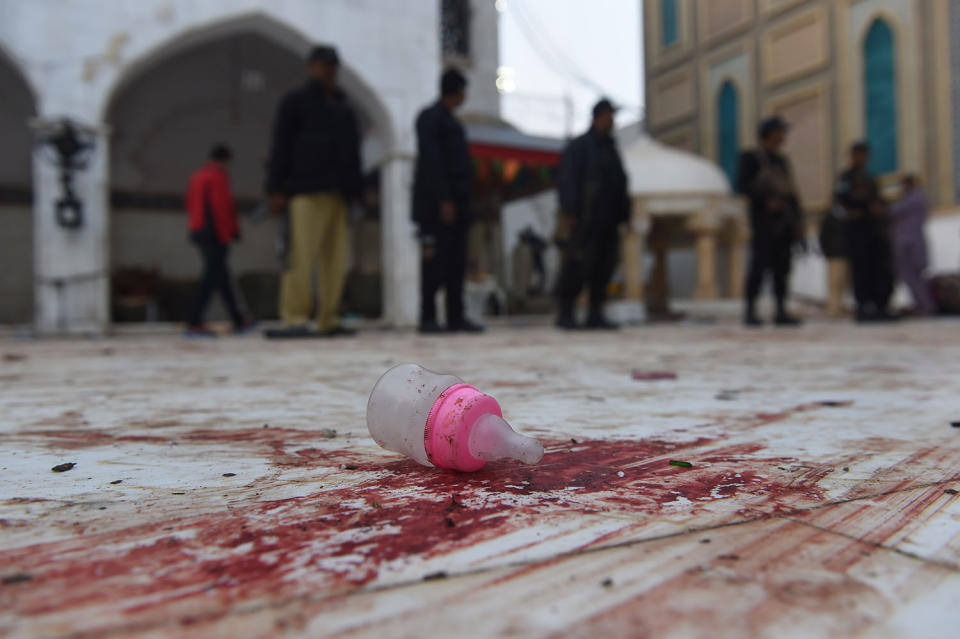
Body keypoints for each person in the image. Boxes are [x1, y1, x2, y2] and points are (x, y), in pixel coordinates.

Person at [265, 45, 362, 338]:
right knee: (300, 256)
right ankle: (294, 318)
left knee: (335, 261)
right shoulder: (295, 102)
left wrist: (356, 192)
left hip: (339, 194)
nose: (328, 70)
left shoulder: (345, 109)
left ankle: (327, 319)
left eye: (332, 65)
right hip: (304, 191)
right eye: (323, 64)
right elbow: (280, 147)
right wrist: (276, 189)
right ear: (311, 67)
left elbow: (353, 155)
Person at [412, 68, 483, 334]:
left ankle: (456, 316)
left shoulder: (453, 123)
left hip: (457, 206)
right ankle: (427, 317)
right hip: (436, 207)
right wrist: (444, 198)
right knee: (433, 264)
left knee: (455, 264)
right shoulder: (430, 119)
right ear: (457, 91)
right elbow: (432, 161)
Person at [554, 98, 629, 330]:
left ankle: (595, 313)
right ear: (599, 116)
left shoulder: (610, 148)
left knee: (603, 267)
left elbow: (620, 183)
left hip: (608, 221)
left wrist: (625, 214)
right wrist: (570, 210)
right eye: (609, 115)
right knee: (577, 266)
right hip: (586, 219)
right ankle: (566, 313)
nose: (612, 120)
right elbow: (568, 180)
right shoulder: (580, 147)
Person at [737, 116, 804, 327]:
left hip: (784, 223)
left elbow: (792, 194)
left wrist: (798, 221)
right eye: (779, 132)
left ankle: (781, 311)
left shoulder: (781, 161)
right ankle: (750, 312)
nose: (782, 137)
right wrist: (765, 201)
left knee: (782, 269)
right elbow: (742, 186)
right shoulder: (751, 158)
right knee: (758, 268)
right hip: (763, 223)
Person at [184, 144, 253, 337]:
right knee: (211, 278)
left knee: (221, 278)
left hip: (199, 231)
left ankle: (238, 319)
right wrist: (232, 233)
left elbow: (189, 204)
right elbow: (222, 208)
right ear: (226, 160)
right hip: (214, 234)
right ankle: (194, 321)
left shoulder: (197, 176)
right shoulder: (217, 177)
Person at [835, 142, 896, 321]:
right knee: (860, 269)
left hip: (874, 231)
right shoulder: (846, 178)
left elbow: (877, 200)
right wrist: (864, 207)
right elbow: (841, 200)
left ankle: (880, 306)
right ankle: (863, 307)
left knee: (878, 269)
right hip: (857, 230)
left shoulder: (870, 177)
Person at [891, 175, 935, 314]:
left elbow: (894, 211)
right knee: (913, 277)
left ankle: (925, 305)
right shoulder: (917, 198)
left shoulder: (914, 198)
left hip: (909, 243)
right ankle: (922, 304)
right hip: (911, 242)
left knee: (913, 276)